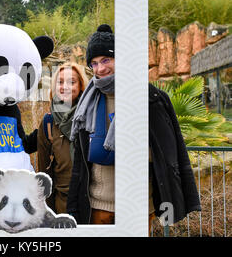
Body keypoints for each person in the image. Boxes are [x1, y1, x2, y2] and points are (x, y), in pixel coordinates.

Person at [67, 24, 201, 230]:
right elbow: (80, 160)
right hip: (97, 204)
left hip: (138, 203)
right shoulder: (87, 102)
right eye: (93, 63)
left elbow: (168, 151)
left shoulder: (151, 99)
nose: (100, 69)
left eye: (106, 60)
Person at [36, 62, 88, 214]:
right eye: (60, 82)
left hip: (91, 203)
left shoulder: (91, 117)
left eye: (72, 82)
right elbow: (45, 171)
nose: (64, 86)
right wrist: (49, 212)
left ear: (81, 86)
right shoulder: (48, 123)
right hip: (62, 204)